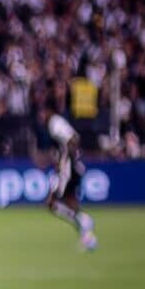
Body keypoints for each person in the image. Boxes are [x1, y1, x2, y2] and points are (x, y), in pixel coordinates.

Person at [39, 107, 98, 251]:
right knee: (68, 201)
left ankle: (83, 222)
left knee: (52, 202)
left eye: (42, 112)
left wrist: (65, 161)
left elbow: (73, 139)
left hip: (68, 168)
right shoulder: (56, 124)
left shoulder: (54, 123)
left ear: (49, 111)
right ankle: (86, 231)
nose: (40, 117)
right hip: (71, 166)